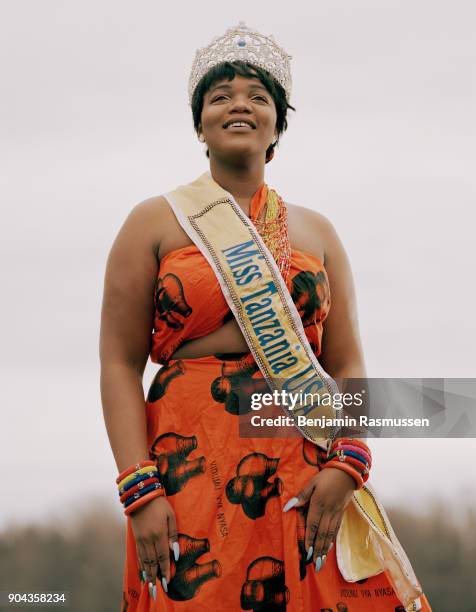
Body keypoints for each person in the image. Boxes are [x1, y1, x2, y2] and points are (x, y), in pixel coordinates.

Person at [100, 22, 431, 612]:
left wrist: (348, 459)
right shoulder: (152, 222)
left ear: (278, 123)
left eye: (258, 95)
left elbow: (347, 360)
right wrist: (139, 486)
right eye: (220, 95)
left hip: (305, 454)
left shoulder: (318, 232)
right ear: (199, 123)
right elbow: (117, 363)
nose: (239, 105)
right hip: (186, 459)